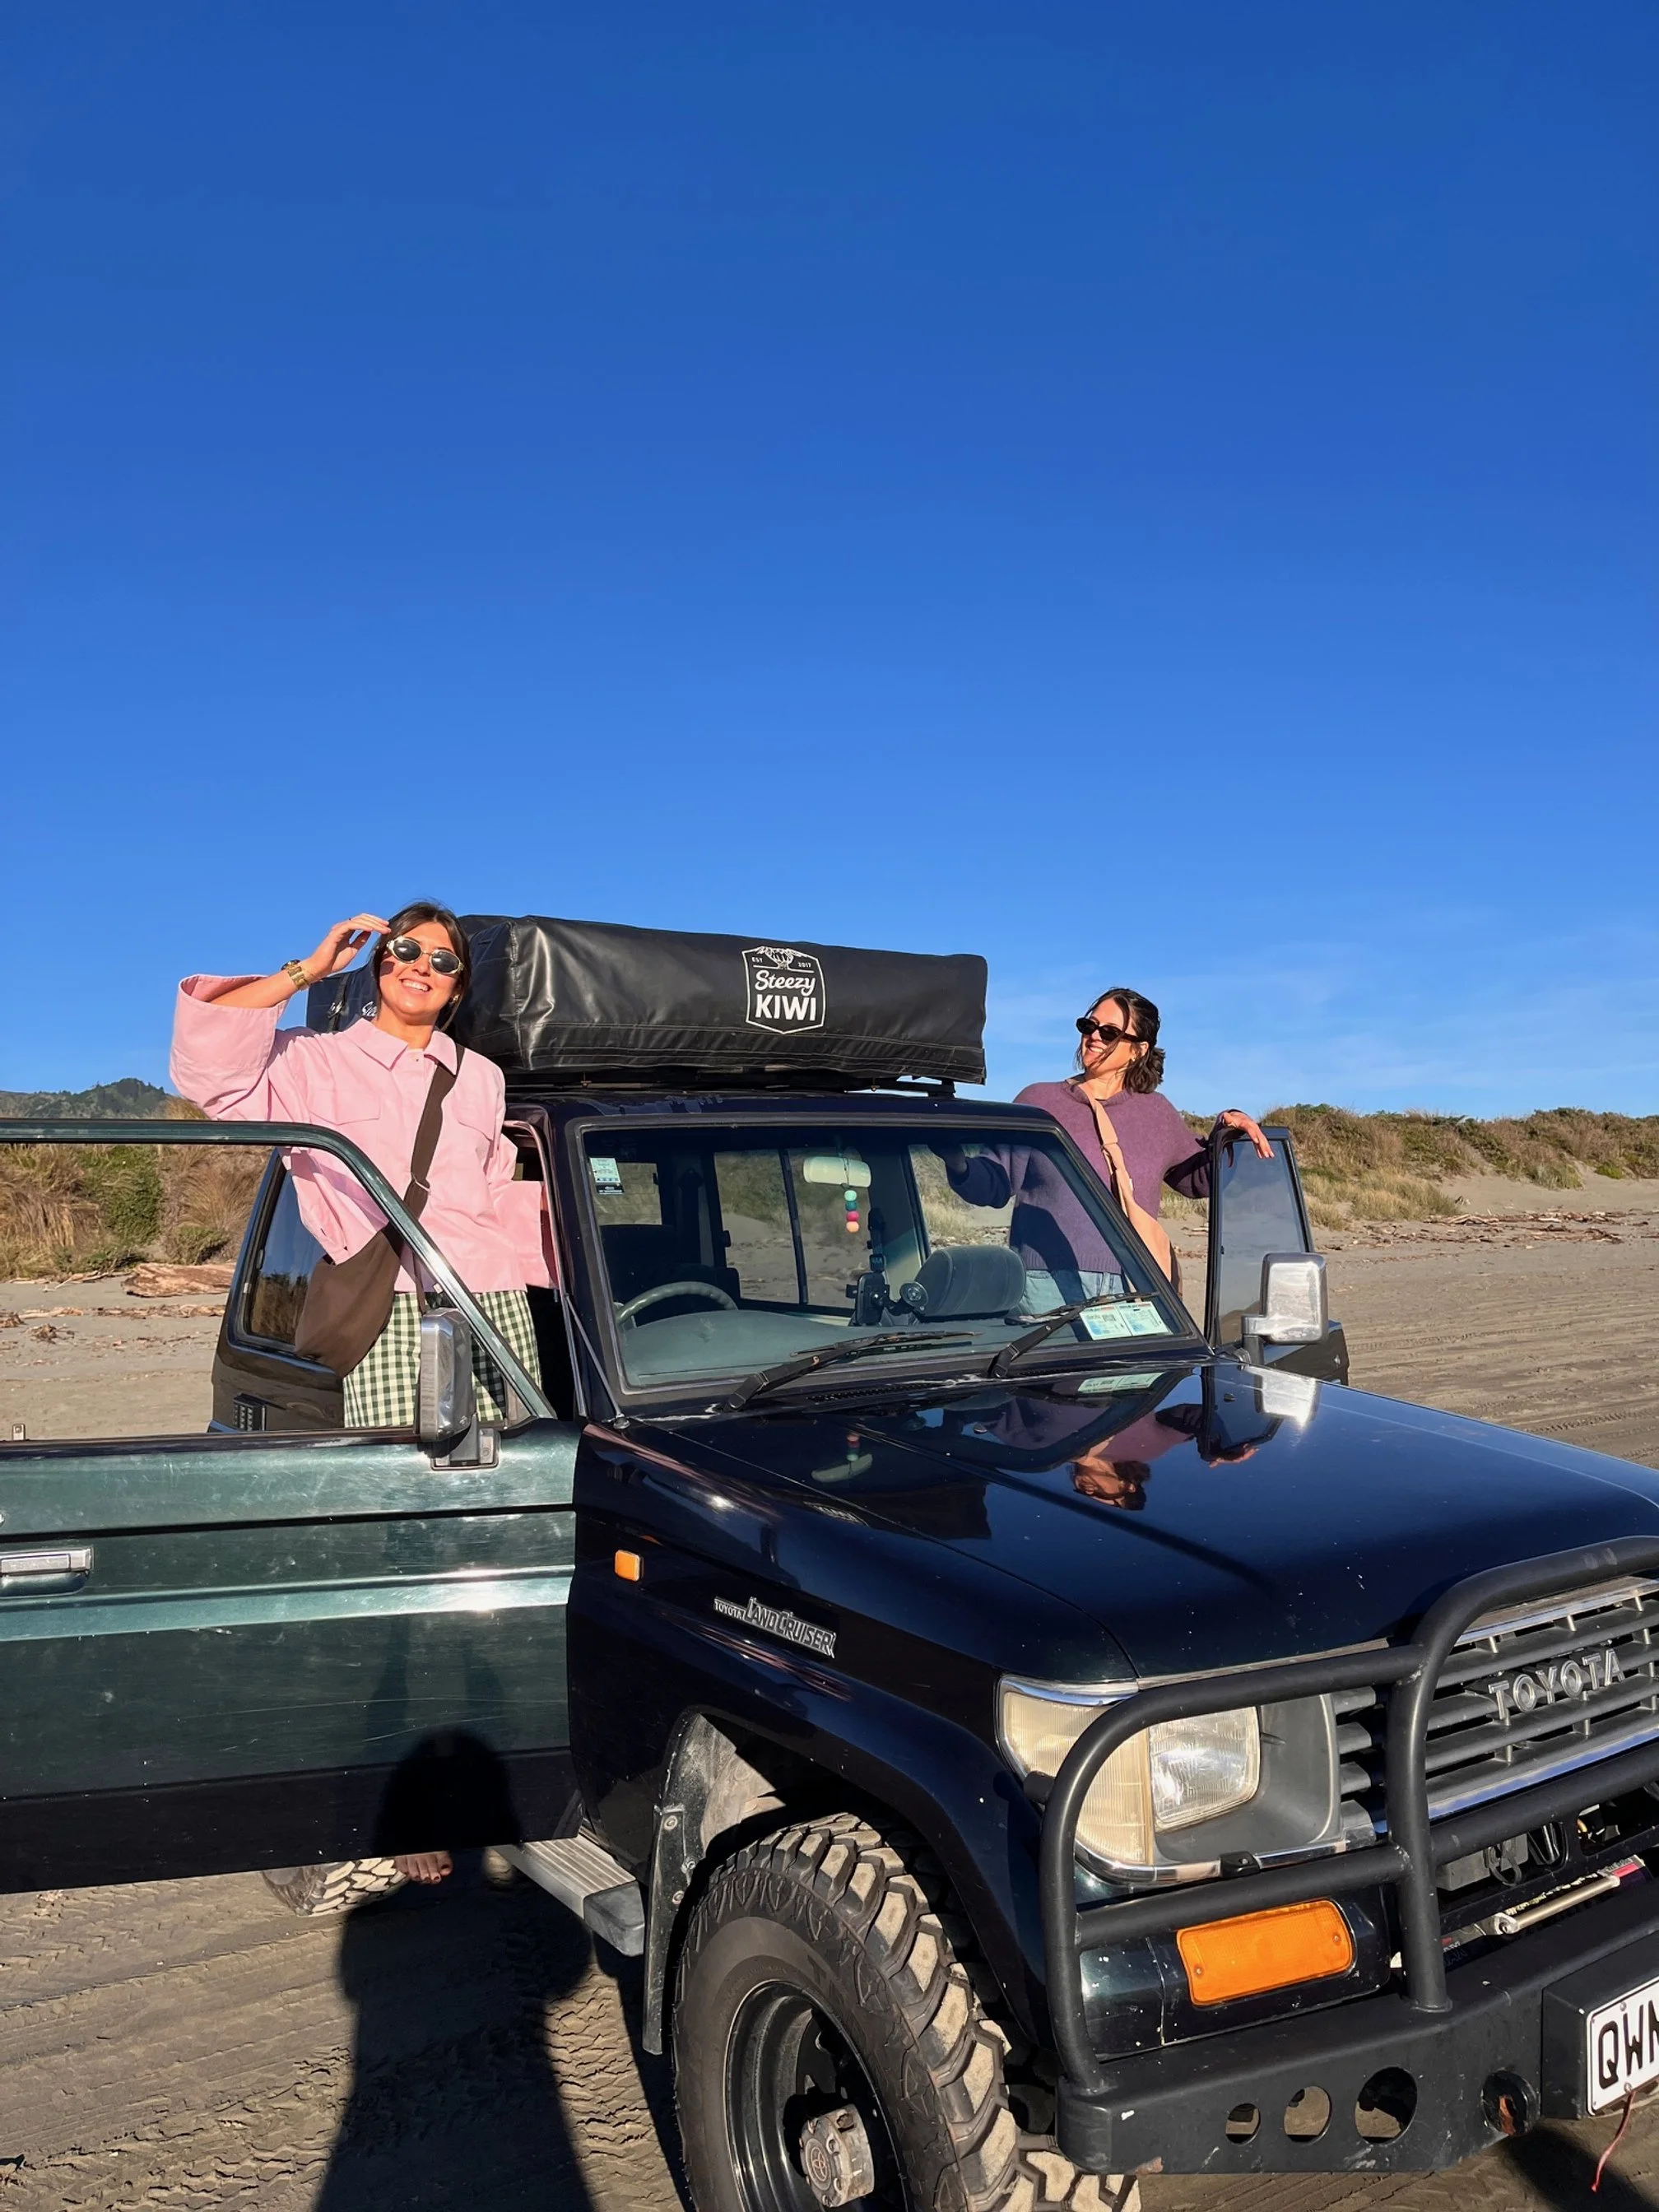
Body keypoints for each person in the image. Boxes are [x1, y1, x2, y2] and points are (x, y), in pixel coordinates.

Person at [170, 902, 550, 1889]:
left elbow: (498, 1204)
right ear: (377, 963)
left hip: (492, 1314)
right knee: (398, 1550)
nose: (420, 966)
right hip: (387, 1317)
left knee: (508, 1534)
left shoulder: (483, 1078)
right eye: (402, 951)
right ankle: (397, 1799)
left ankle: (508, 1760)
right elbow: (211, 1076)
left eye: (441, 960)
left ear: (462, 986)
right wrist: (306, 967)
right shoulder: (315, 1061)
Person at [941, 987, 1271, 1299]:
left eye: (1109, 1032)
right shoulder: (1038, 1101)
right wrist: (958, 1162)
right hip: (1045, 1286)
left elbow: (1198, 1181)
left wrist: (1228, 1131)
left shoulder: (1158, 1113)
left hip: (1134, 1283)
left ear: (1139, 1050)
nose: (1094, 1036)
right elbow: (993, 1185)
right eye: (1089, 1026)